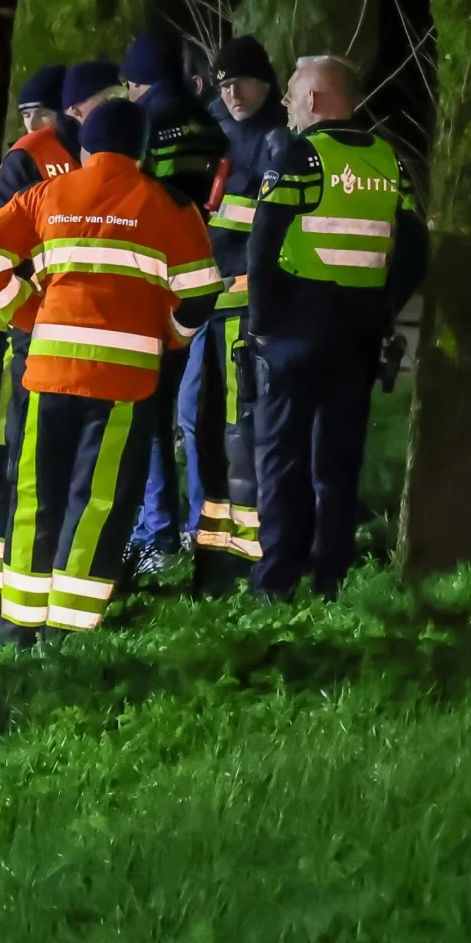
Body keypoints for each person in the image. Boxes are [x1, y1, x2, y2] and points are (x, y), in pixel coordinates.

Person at [0, 97, 221, 637]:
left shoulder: (49, 193)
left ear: (84, 148)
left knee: (35, 493)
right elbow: (198, 295)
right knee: (97, 500)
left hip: (47, 373)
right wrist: (170, 338)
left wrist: (25, 310)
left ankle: (18, 625)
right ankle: (69, 630)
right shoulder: (168, 205)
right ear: (143, 152)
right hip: (123, 383)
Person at [246, 55, 429, 600]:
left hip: (297, 328)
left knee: (282, 457)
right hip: (359, 329)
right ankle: (331, 578)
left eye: (293, 92)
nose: (286, 103)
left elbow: (263, 243)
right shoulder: (386, 161)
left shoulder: (300, 155)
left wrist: (261, 323)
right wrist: (386, 304)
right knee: (338, 460)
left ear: (317, 99)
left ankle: (275, 582)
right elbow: (415, 245)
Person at [0, 65, 78, 619]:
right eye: (25, 115)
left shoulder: (32, 159)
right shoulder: (49, 157)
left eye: (38, 111)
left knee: (24, 459)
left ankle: (8, 582)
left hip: (37, 330)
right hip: (44, 333)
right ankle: (8, 578)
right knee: (22, 459)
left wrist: (8, 324)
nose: (30, 124)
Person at [122, 31, 228, 577]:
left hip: (154, 283)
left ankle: (155, 532)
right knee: (192, 412)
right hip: (200, 279)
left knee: (151, 414)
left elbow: (142, 199)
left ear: (139, 80)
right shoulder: (208, 123)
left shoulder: (146, 123)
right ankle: (194, 526)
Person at [187, 34, 286, 591]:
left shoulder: (278, 141)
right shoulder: (210, 132)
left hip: (245, 315)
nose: (232, 94)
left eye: (241, 83)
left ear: (265, 83)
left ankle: (247, 556)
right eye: (223, 84)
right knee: (203, 429)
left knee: (239, 432)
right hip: (202, 309)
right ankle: (211, 550)